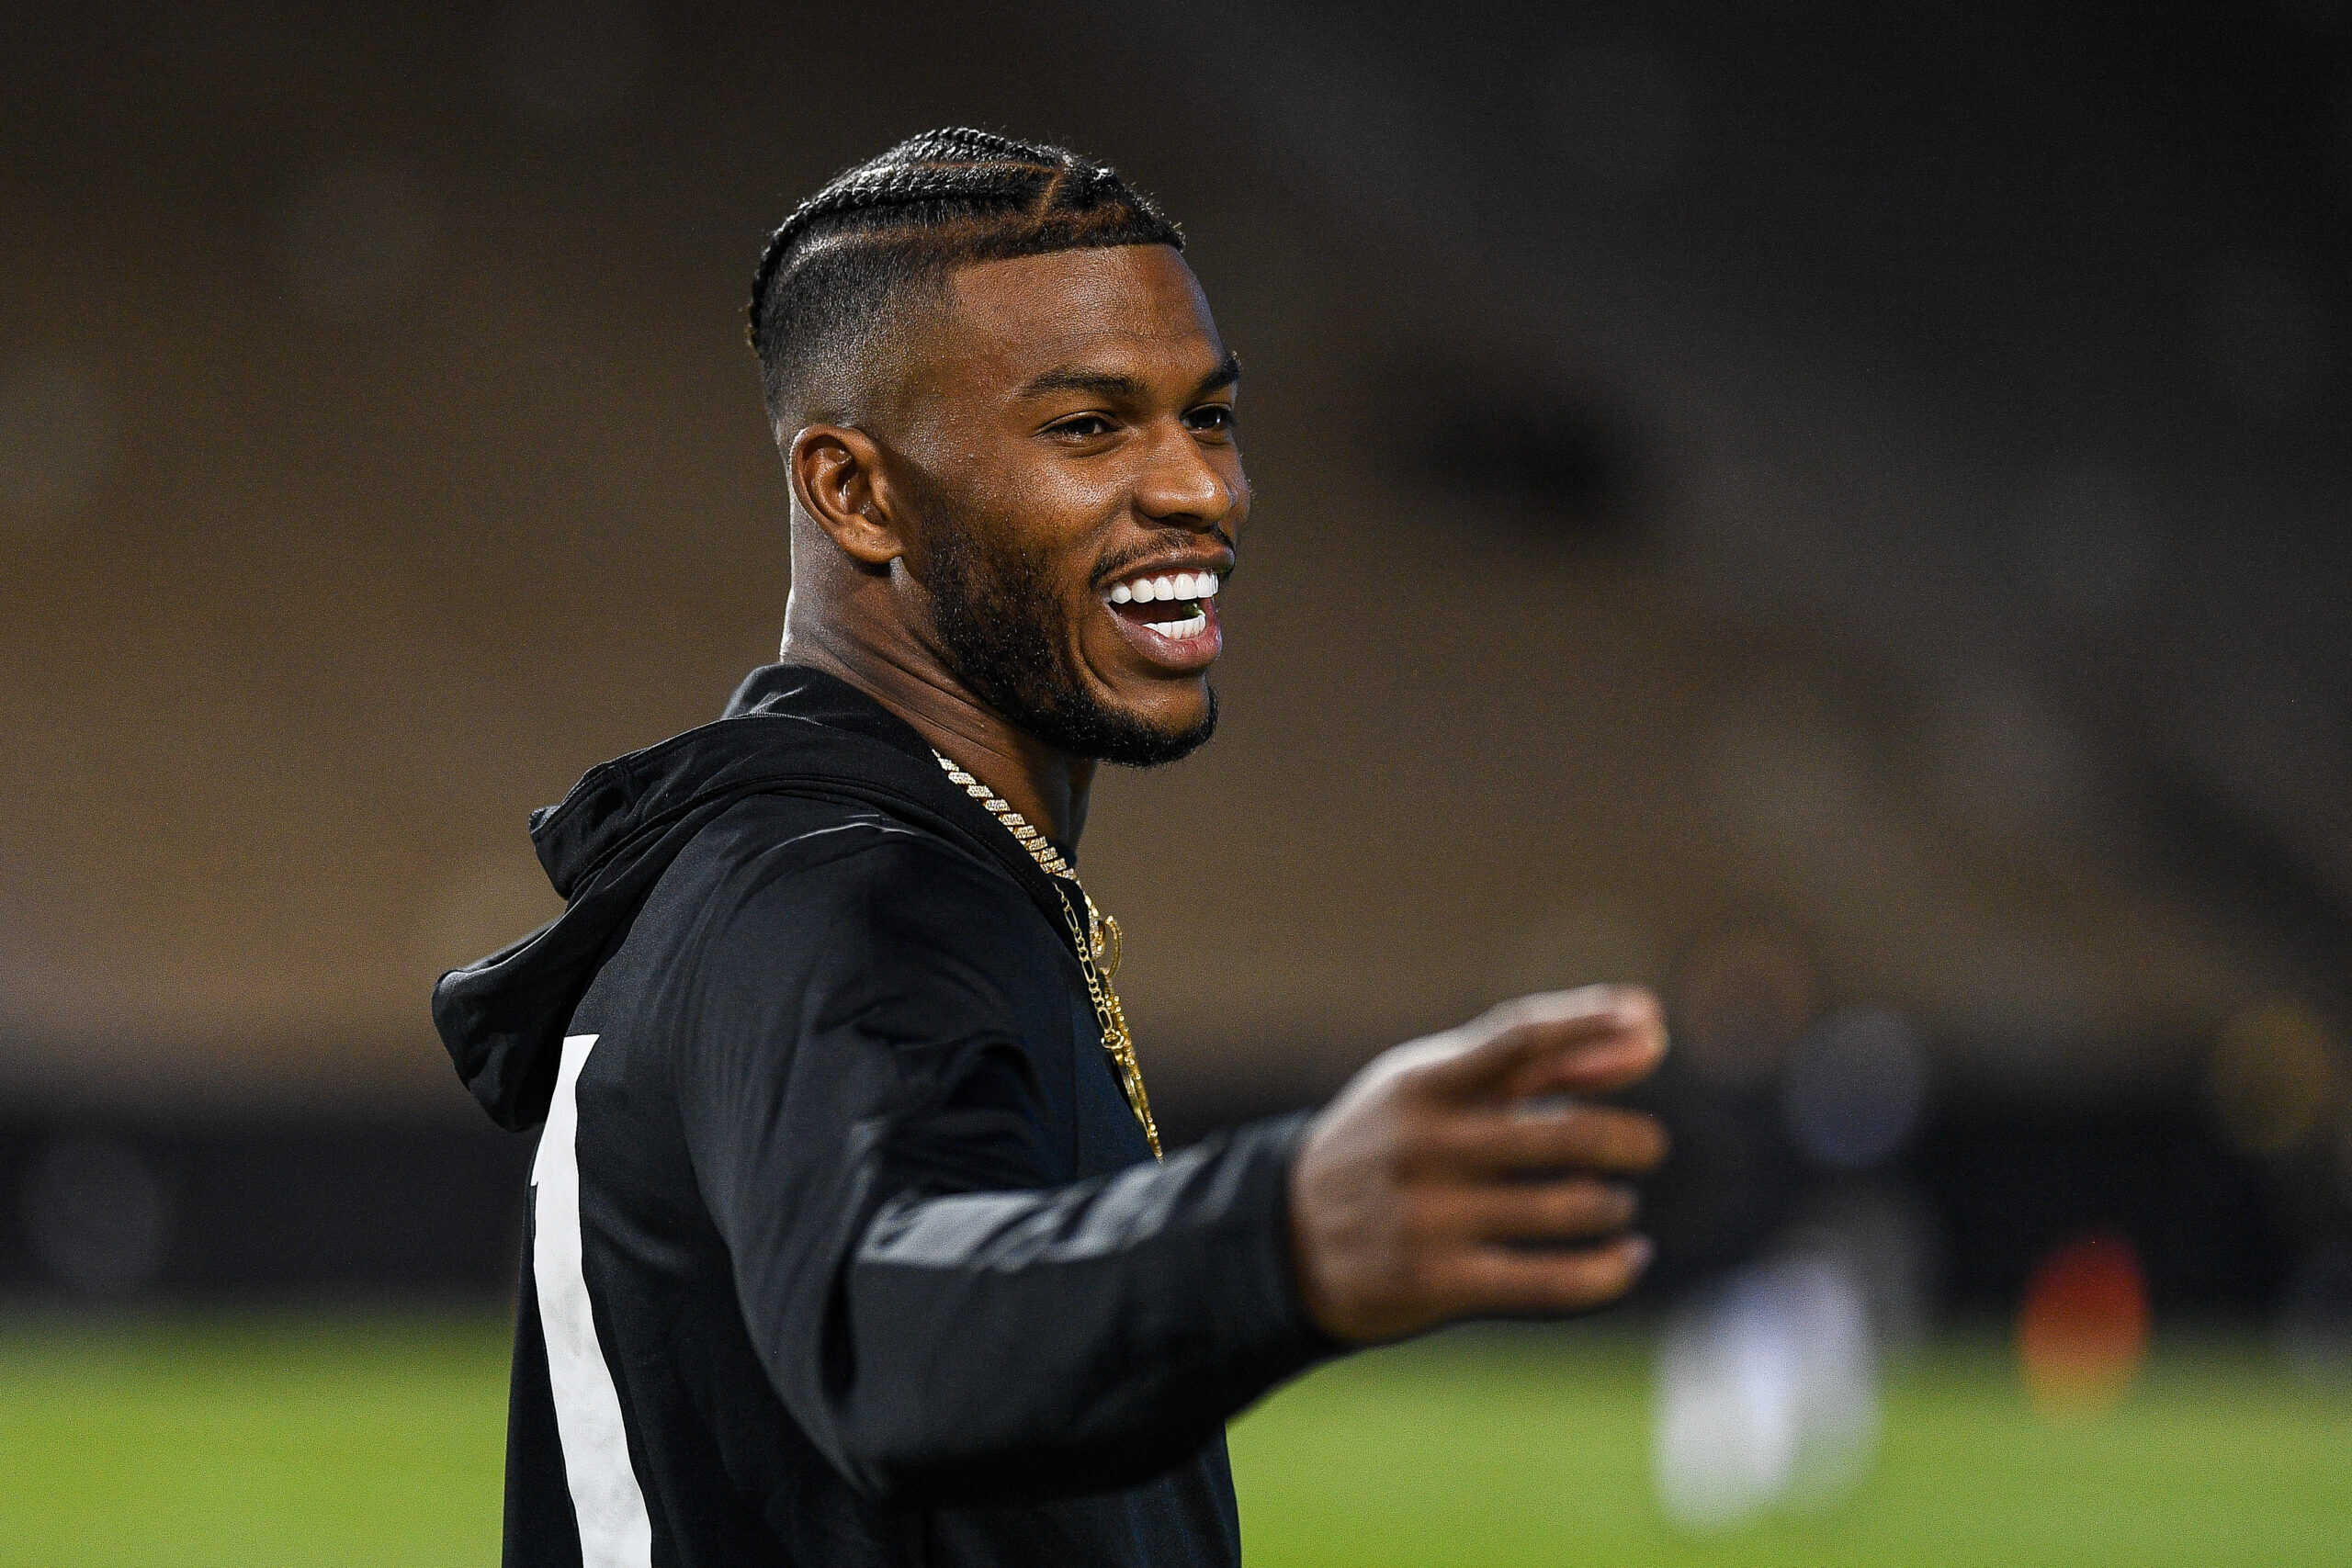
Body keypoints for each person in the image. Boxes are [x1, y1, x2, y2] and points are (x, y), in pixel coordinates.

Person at [434, 128, 1668, 1568]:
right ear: (856, 492)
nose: (1200, 489)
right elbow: (883, 1325)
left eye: (1206, 417)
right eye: (1090, 428)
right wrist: (1279, 1230)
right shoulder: (837, 895)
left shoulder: (885, 864)